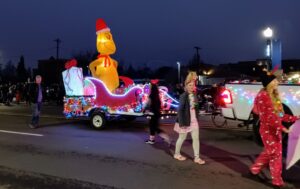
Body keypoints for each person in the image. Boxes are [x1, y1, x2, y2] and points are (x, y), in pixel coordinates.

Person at [250, 71, 299, 188]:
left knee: (271, 153)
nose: (278, 82)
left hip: (275, 129)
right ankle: (277, 181)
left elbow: (281, 115)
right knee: (275, 155)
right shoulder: (263, 97)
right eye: (275, 80)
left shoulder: (275, 96)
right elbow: (269, 117)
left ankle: (254, 169)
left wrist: (296, 118)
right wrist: (283, 128)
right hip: (267, 130)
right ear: (269, 83)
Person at [173, 76, 205, 165]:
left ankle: (197, 157)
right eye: (190, 85)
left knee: (196, 139)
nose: (191, 87)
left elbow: (195, 107)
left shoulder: (194, 95)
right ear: (186, 86)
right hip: (185, 120)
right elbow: (180, 110)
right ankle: (176, 154)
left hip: (194, 120)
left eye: (193, 85)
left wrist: (199, 106)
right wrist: (182, 123)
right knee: (182, 138)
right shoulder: (184, 96)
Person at [145, 80, 171, 145]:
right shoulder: (157, 96)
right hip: (157, 113)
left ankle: (166, 137)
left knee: (154, 127)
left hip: (152, 113)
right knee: (153, 127)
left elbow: (148, 104)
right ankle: (152, 140)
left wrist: (146, 109)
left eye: (150, 87)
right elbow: (159, 105)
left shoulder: (151, 96)